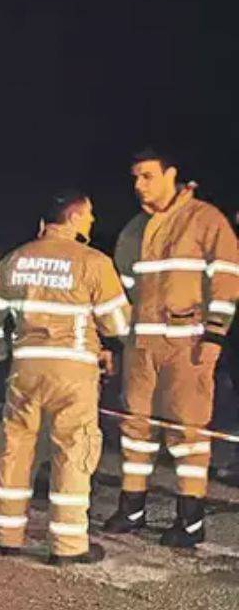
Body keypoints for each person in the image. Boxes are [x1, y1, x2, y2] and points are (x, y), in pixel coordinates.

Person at [0, 190, 130, 565]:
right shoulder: (93, 262)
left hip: (25, 370)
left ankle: (7, 535)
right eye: (89, 215)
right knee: (73, 451)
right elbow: (118, 323)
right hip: (73, 371)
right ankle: (67, 545)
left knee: (16, 447)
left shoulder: (14, 260)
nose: (92, 222)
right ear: (74, 217)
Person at [103, 149, 239, 547]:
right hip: (141, 347)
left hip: (188, 347)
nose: (138, 185)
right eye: (135, 178)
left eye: (146, 176)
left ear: (171, 174)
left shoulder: (205, 221)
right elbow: (121, 294)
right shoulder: (133, 231)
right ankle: (132, 508)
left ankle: (191, 519)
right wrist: (116, 341)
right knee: (136, 428)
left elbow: (228, 280)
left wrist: (214, 336)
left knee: (187, 431)